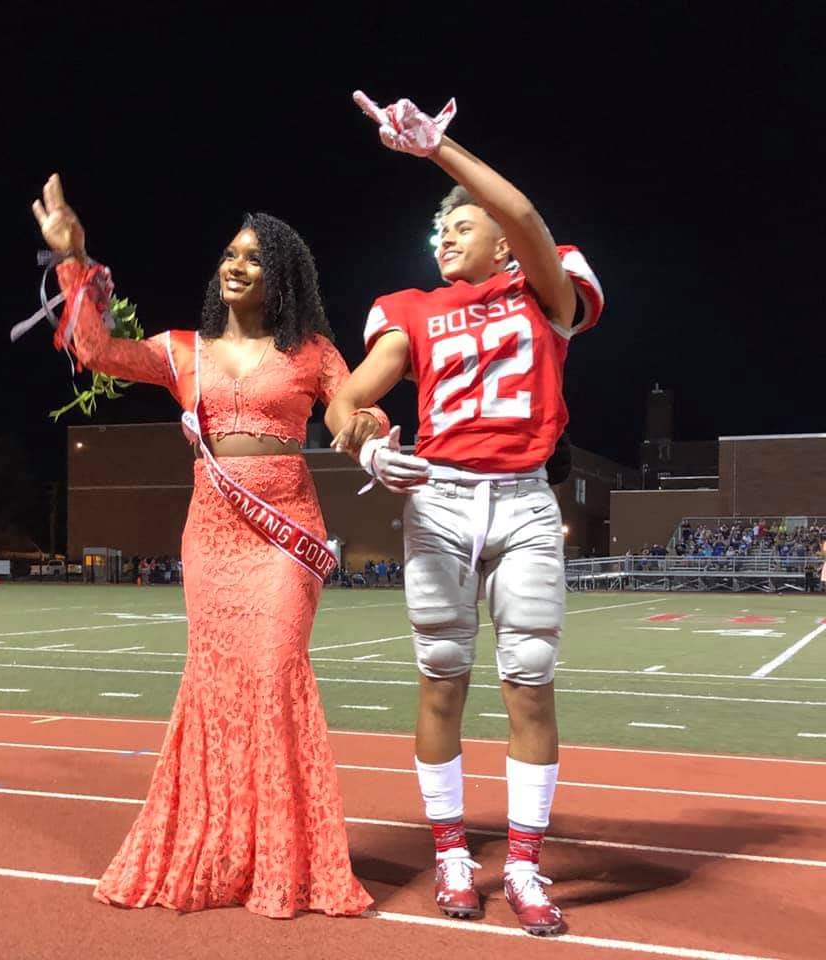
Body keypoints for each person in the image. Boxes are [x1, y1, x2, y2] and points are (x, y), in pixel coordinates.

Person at [32, 174, 388, 918]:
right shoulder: (181, 350)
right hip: (213, 537)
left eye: (254, 259)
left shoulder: (313, 352)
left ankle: (289, 855)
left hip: (284, 532)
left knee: (274, 672)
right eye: (230, 254)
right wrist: (75, 258)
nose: (236, 266)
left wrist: (369, 431)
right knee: (219, 687)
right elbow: (94, 349)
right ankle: (227, 847)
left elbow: (356, 411)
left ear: (281, 276)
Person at [328, 93, 603, 935]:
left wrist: (438, 152)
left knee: (529, 682)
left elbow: (521, 210)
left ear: (496, 239)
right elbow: (347, 399)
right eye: (438, 232)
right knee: (442, 677)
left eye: (458, 227)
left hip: (522, 499)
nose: (444, 238)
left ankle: (524, 862)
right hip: (439, 498)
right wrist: (366, 445)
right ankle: (451, 848)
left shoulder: (544, 286)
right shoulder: (411, 308)